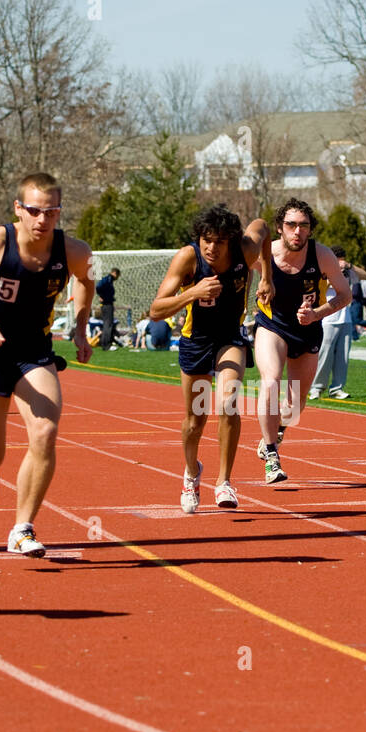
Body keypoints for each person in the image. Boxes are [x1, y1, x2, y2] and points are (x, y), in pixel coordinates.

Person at [0, 172, 94, 557]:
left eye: (52, 212)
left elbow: (86, 282)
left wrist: (79, 326)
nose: (43, 220)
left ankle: (22, 528)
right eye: (36, 211)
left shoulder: (73, 251)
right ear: (19, 209)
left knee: (44, 430)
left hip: (34, 351)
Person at [150, 204, 272, 513]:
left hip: (229, 337)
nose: (211, 248)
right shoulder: (188, 258)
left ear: (231, 240)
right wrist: (192, 292)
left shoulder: (245, 250)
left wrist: (266, 276)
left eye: (218, 241)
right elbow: (156, 310)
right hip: (195, 341)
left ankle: (224, 481)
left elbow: (262, 226)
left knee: (228, 402)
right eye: (206, 239)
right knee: (195, 422)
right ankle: (191, 473)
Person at [254, 197, 351, 483]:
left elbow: (345, 295)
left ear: (310, 229)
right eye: (291, 225)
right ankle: (272, 455)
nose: (297, 231)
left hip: (308, 329)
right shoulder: (266, 255)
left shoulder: (322, 256)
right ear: (280, 228)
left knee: (296, 405)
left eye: (303, 226)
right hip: (272, 325)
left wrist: (317, 313)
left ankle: (278, 430)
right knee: (270, 381)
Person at [309, 245, 358, 401]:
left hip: (346, 318)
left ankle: (337, 388)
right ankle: (317, 387)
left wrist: (349, 267)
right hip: (328, 318)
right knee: (324, 354)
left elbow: (363, 275)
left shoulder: (346, 271)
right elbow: (320, 287)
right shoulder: (323, 270)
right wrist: (335, 277)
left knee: (343, 356)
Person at [95, 267, 121, 349]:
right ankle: (106, 345)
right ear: (115, 273)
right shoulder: (108, 279)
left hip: (106, 304)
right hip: (107, 304)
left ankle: (104, 342)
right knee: (108, 324)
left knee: (107, 323)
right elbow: (98, 286)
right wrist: (102, 295)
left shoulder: (109, 280)